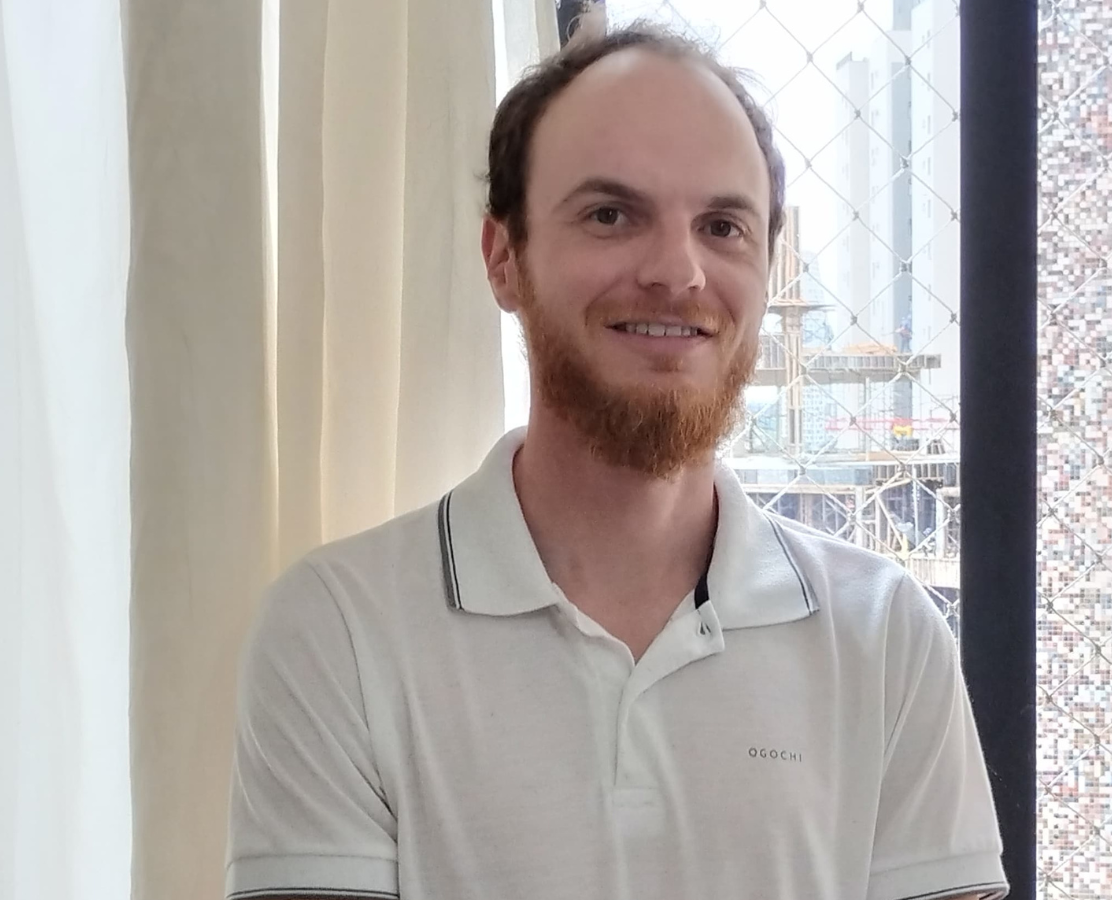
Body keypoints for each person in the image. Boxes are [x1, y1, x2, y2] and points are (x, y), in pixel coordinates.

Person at [224, 24, 1008, 900]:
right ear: (503, 259)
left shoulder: (886, 635)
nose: (678, 271)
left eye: (723, 226)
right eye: (610, 215)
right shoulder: (339, 631)